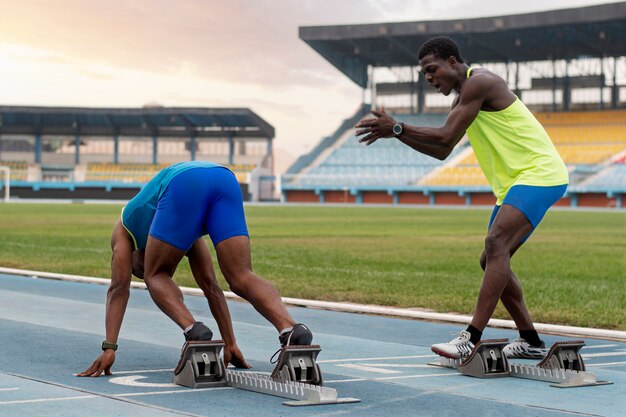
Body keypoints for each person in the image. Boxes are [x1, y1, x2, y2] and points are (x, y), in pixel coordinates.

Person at [355, 37, 568, 359]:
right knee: (491, 258)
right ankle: (530, 341)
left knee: (496, 243)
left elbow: (443, 136)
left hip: (539, 174)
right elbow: (443, 150)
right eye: (424, 74)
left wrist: (397, 128)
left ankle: (471, 336)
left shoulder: (480, 83)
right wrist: (397, 133)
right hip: (514, 183)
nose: (429, 78)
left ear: (452, 62)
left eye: (432, 69)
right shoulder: (464, 97)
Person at [78, 161, 312, 377]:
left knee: (155, 275)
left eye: (135, 269)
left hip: (184, 183)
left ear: (133, 257)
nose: (137, 270)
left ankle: (193, 330)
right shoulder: (179, 234)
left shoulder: (123, 233)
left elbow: (118, 289)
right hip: (224, 179)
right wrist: (229, 343)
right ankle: (290, 329)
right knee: (241, 275)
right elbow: (211, 287)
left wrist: (109, 347)